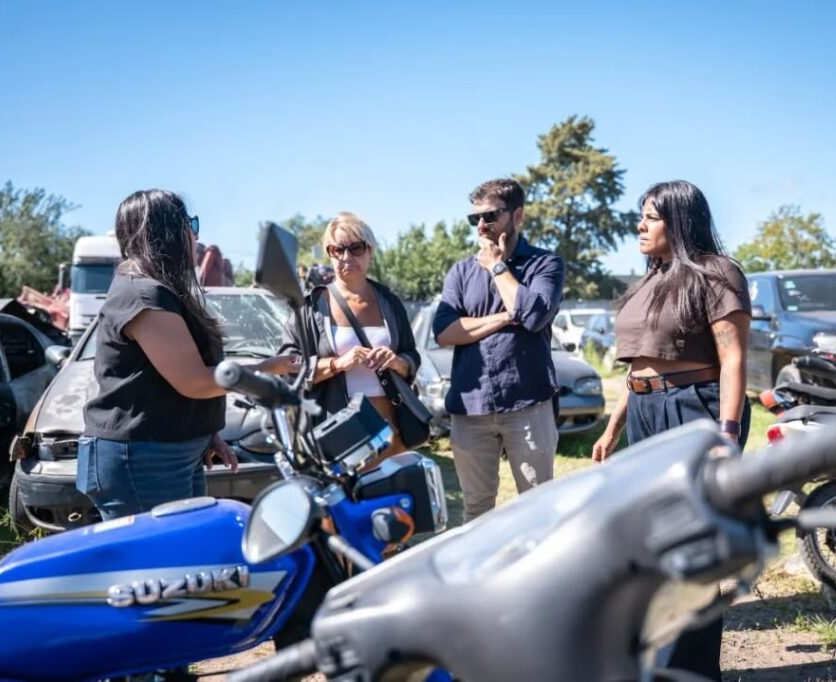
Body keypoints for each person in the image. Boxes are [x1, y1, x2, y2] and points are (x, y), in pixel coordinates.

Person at [591, 179, 751, 681]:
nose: (640, 225)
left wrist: (725, 434)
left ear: (680, 221)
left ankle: (696, 671)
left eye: (652, 216)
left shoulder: (716, 273)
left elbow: (733, 357)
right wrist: (614, 427)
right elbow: (637, 366)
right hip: (645, 415)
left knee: (694, 546)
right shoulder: (646, 281)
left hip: (693, 412)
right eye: (640, 215)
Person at [78, 190, 290, 520]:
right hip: (143, 461)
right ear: (164, 231)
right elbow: (195, 381)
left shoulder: (160, 291)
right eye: (190, 223)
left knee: (184, 561)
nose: (196, 233)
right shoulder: (143, 294)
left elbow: (168, 381)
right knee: (157, 566)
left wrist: (205, 431)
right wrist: (268, 368)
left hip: (168, 454)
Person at [433, 178, 565, 522]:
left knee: (538, 508)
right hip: (470, 408)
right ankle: (479, 577)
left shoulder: (545, 264)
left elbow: (534, 315)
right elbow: (445, 332)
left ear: (517, 216)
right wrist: (507, 316)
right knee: (476, 510)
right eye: (474, 218)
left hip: (528, 403)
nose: (481, 226)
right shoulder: (460, 272)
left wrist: (497, 267)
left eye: (490, 216)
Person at [276, 212, 420, 462]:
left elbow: (412, 356)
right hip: (339, 430)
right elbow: (288, 367)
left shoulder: (390, 303)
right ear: (329, 254)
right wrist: (337, 364)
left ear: (370, 251)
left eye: (355, 248)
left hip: (392, 426)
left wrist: (397, 362)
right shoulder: (310, 307)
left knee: (392, 497)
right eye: (337, 249)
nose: (346, 257)